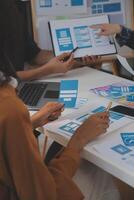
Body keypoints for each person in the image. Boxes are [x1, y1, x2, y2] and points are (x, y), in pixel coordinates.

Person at [0, 3, 111, 199]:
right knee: (98, 173)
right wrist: (78, 140)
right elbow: (44, 194)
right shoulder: (9, 108)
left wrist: (31, 123)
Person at [6, 0, 101, 81]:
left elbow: (34, 55)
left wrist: (75, 57)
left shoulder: (16, 7)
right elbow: (5, 79)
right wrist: (48, 70)